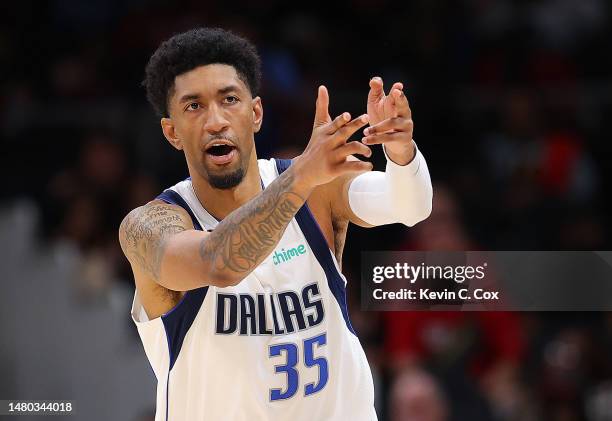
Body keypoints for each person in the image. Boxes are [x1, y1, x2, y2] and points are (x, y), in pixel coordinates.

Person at [118, 27, 432, 421]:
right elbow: (219, 263)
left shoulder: (317, 189)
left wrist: (402, 152)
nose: (216, 120)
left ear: (256, 113)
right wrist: (300, 177)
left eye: (229, 99)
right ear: (172, 132)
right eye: (193, 106)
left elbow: (410, 206)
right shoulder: (149, 226)